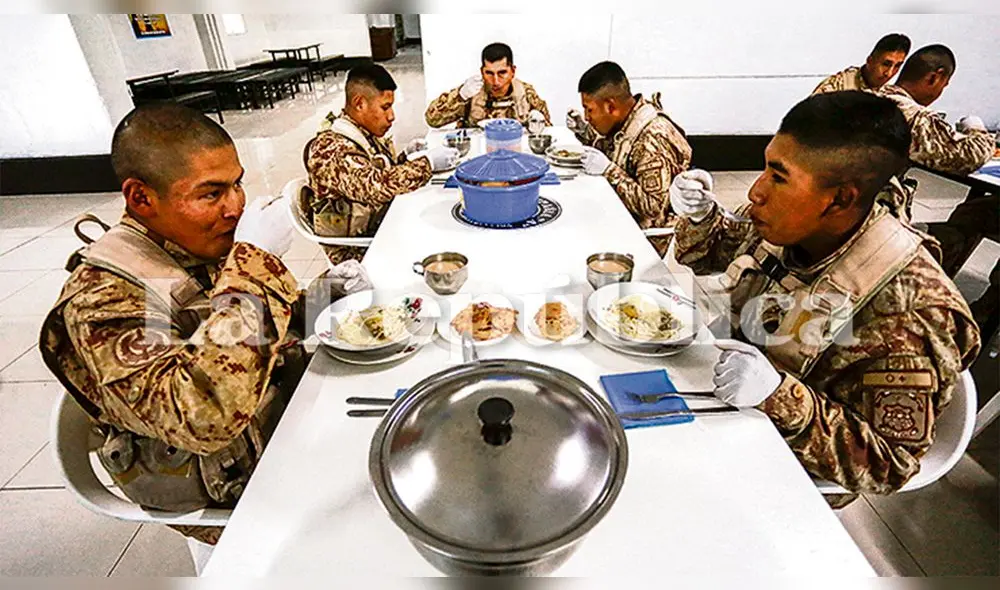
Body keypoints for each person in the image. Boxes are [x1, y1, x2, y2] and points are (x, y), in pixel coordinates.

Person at [40, 103, 371, 546]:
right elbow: (205, 413)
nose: (235, 207)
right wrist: (254, 270)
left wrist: (313, 302)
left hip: (282, 425)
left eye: (237, 185)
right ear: (140, 198)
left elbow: (229, 332)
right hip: (232, 487)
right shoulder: (104, 298)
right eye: (211, 194)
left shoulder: (187, 241)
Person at [669, 91, 980, 501]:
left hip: (787, 467)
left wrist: (778, 396)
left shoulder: (910, 312)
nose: (756, 192)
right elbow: (720, 252)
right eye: (766, 168)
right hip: (726, 396)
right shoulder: (797, 224)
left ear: (841, 199)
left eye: (779, 177)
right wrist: (701, 217)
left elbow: (889, 464)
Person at [307, 62, 458, 265]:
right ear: (359, 103)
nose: (391, 116)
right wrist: (427, 163)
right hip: (356, 251)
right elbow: (376, 186)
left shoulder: (362, 133)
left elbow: (375, 169)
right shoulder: (331, 149)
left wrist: (405, 156)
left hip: (380, 223)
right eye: (385, 107)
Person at [566, 61, 692, 257]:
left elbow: (653, 208)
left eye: (589, 110)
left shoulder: (653, 139)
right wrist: (585, 132)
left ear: (610, 106)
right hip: (619, 214)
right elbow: (618, 148)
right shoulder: (627, 117)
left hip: (646, 239)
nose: (587, 116)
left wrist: (609, 171)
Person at [878, 44, 995, 176]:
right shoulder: (914, 117)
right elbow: (971, 155)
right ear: (934, 77)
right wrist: (974, 127)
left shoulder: (873, 95)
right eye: (943, 85)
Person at [424, 42, 551, 129]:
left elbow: (548, 129)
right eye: (489, 73)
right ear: (481, 71)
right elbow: (432, 120)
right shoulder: (471, 91)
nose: (495, 81)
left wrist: (538, 124)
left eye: (502, 73)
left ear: (512, 71)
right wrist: (460, 96)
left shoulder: (526, 93)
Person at [812, 33, 911, 95]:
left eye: (897, 66)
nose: (889, 73)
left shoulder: (890, 94)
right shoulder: (837, 86)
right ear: (870, 61)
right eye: (886, 64)